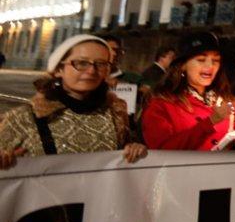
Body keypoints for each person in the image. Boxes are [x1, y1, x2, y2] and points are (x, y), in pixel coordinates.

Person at [0, 35, 146, 168]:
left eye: (100, 64)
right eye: (81, 63)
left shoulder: (116, 113)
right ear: (58, 69)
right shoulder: (24, 117)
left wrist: (135, 149)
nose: (91, 71)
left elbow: (125, 151)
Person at [142, 32, 235, 150]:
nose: (210, 65)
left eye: (216, 60)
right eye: (201, 59)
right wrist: (210, 122)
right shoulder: (162, 104)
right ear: (183, 65)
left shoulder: (227, 101)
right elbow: (163, 150)